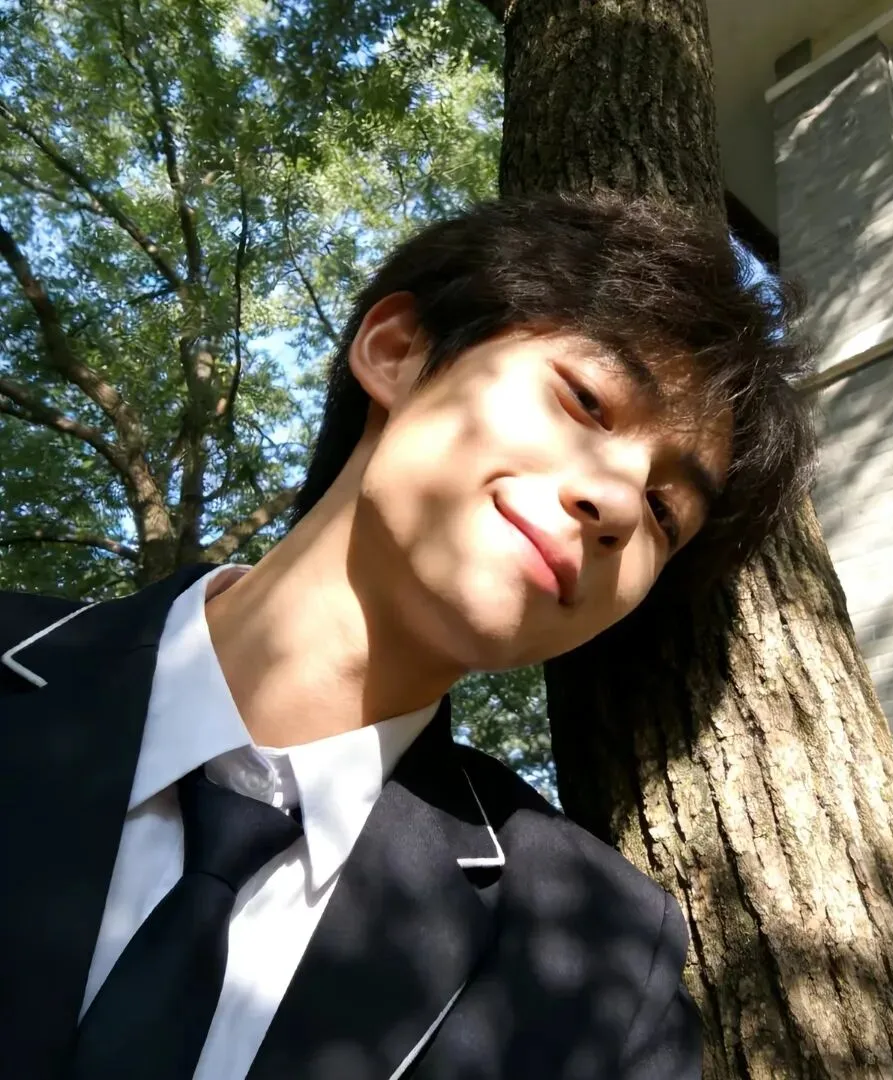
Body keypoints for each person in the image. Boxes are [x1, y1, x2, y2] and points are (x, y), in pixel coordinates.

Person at [0, 191, 814, 1080]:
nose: (619, 502)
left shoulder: (604, 959)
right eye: (586, 399)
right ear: (396, 352)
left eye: (665, 510)